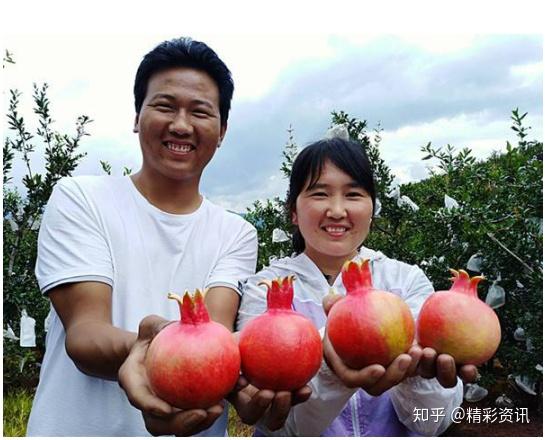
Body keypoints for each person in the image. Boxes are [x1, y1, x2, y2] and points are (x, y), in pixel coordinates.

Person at [26, 37, 262, 437]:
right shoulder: (80, 199)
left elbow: (215, 339)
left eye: (200, 112)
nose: (181, 125)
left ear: (221, 131)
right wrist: (152, 348)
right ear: (138, 116)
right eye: (165, 106)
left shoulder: (236, 234)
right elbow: (85, 333)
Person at [236, 133, 478, 436]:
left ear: (372, 208)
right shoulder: (266, 289)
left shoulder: (405, 282)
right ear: (293, 212)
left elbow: (431, 422)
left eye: (353, 194)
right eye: (320, 194)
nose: (337, 210)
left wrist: (418, 379)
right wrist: (329, 365)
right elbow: (277, 424)